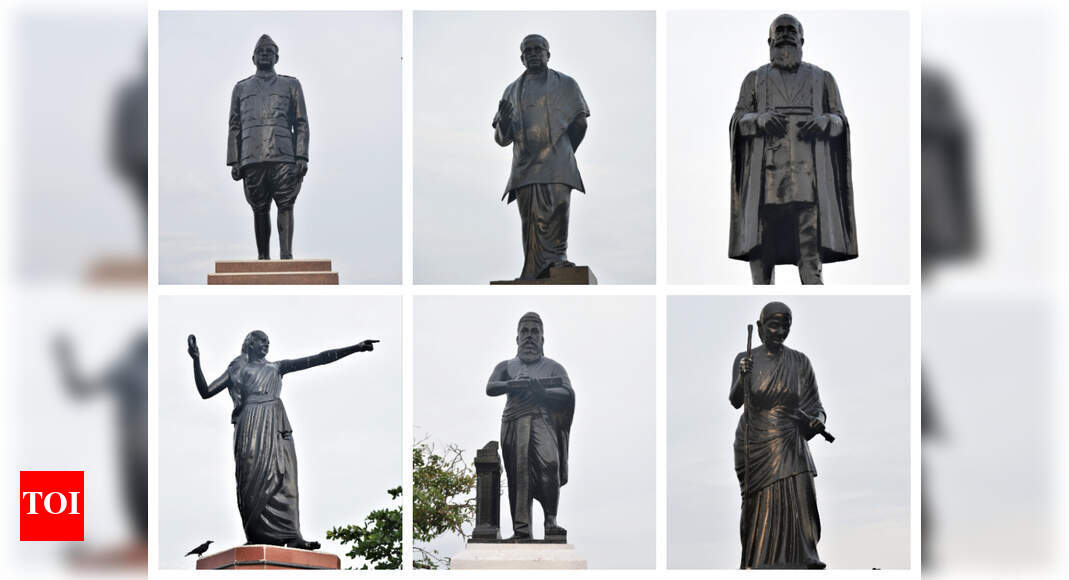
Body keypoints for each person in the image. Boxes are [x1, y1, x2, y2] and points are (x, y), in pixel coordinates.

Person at [187, 331, 376, 549]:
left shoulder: (276, 367)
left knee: (286, 477)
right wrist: (196, 360)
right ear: (250, 343)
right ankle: (256, 536)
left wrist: (355, 347)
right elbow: (206, 391)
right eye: (262, 341)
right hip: (250, 424)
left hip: (276, 424)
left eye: (268, 342)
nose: (266, 345)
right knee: (251, 480)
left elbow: (318, 359)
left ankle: (293, 536)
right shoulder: (237, 370)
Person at [729, 14, 857, 284]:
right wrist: (759, 120)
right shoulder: (754, 80)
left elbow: (840, 121)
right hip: (766, 179)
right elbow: (738, 121)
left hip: (807, 177)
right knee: (761, 250)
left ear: (801, 38)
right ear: (770, 39)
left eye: (791, 30)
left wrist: (824, 123)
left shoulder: (822, 79)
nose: (785, 34)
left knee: (810, 250)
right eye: (780, 30)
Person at [729, 301, 827, 568]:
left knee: (801, 494)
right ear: (760, 327)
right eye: (773, 325)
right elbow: (736, 400)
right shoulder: (745, 357)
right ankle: (757, 557)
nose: (779, 332)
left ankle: (805, 553)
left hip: (790, 437)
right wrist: (742, 376)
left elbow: (816, 407)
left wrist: (817, 422)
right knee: (757, 502)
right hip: (756, 437)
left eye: (785, 326)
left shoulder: (800, 361)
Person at [493, 34, 590, 280]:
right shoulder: (511, 90)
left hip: (558, 163)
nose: (534, 53)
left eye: (539, 49)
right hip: (525, 168)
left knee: (558, 211)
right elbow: (502, 139)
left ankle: (557, 260)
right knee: (531, 222)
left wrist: (564, 150)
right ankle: (533, 269)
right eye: (528, 50)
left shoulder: (566, 84)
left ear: (548, 54)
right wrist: (503, 121)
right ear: (522, 57)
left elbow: (580, 122)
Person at [486, 312, 574, 539]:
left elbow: (566, 393)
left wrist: (543, 392)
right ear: (517, 338)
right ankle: (521, 529)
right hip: (513, 422)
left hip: (540, 419)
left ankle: (550, 520)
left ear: (542, 339)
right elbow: (491, 387)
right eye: (524, 331)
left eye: (535, 332)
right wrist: (511, 385)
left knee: (549, 466)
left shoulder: (554, 367)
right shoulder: (506, 366)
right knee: (518, 473)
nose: (529, 336)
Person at [227, 34, 309, 260]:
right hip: (251, 158)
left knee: (286, 204)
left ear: (277, 57)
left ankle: (286, 256)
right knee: (259, 209)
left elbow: (301, 122)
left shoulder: (291, 85)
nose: (265, 54)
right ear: (253, 58)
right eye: (260, 51)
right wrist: (234, 161)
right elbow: (235, 125)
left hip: (284, 156)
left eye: (269, 51)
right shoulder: (241, 88)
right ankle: (263, 258)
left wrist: (301, 156)